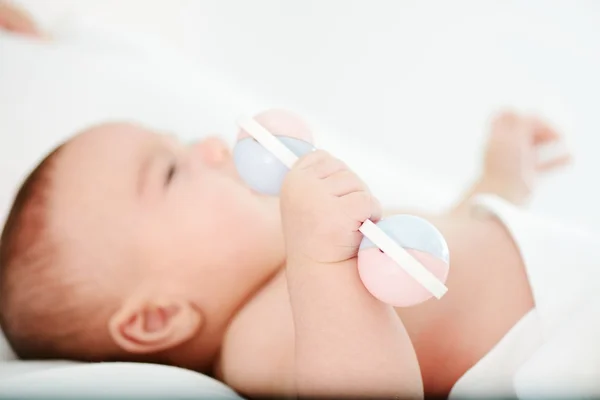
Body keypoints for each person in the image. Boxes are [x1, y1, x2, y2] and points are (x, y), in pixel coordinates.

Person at [0, 3, 579, 398]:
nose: (207, 145)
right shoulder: (260, 339)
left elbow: (446, 241)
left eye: (181, 142)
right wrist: (320, 263)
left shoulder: (294, 267)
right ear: (158, 317)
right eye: (172, 172)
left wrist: (502, 176)